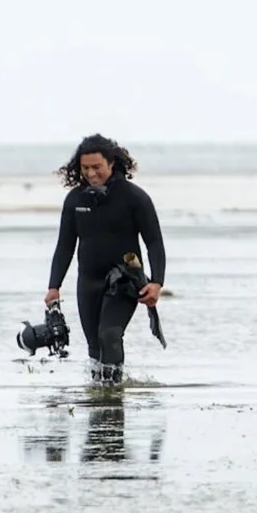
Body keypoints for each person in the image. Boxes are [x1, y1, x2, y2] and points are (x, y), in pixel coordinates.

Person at [45, 135, 166, 384]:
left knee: (109, 334)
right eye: (85, 167)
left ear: (111, 163)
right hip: (88, 282)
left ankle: (113, 390)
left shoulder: (135, 198)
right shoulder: (75, 200)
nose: (91, 173)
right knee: (94, 346)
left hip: (124, 280)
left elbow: (154, 241)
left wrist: (157, 282)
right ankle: (100, 396)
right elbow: (65, 246)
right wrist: (53, 286)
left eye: (96, 167)